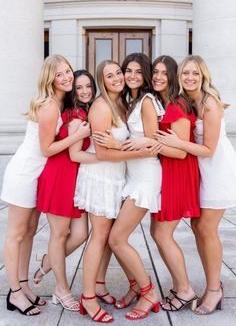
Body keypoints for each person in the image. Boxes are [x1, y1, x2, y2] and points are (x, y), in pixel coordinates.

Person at [1, 55, 89, 316]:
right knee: (16, 234)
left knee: (29, 232)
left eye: (68, 72)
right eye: (59, 73)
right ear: (49, 78)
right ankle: (15, 293)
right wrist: (78, 135)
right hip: (24, 173)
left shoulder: (61, 102)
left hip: (38, 174)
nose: (67, 77)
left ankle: (25, 286)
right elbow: (47, 148)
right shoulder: (50, 105)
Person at [75, 59, 157, 323]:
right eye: (109, 75)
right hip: (100, 176)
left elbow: (124, 144)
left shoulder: (122, 103)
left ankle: (99, 284)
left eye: (118, 73)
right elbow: (101, 152)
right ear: (102, 80)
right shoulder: (100, 107)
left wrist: (128, 148)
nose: (117, 78)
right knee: (100, 237)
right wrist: (137, 150)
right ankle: (87, 297)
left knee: (109, 236)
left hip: (117, 177)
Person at [157, 55, 236, 315]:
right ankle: (213, 284)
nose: (190, 78)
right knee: (197, 227)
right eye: (185, 74)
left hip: (216, 169)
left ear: (203, 76)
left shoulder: (210, 103)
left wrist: (177, 143)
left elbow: (209, 149)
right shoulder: (190, 101)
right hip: (201, 170)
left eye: (195, 74)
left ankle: (214, 290)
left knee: (207, 228)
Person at [95, 53, 164, 321]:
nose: (131, 75)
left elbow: (152, 143)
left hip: (145, 177)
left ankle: (148, 291)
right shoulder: (130, 101)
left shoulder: (146, 101)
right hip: (132, 176)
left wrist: (115, 145)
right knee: (115, 237)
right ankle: (136, 285)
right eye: (128, 70)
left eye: (137, 71)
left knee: (116, 239)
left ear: (145, 74)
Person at [35, 70, 95, 311]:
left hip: (75, 179)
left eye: (88, 86)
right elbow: (71, 152)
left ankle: (49, 262)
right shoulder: (74, 115)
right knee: (59, 236)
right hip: (60, 177)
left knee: (80, 234)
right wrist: (107, 156)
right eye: (78, 88)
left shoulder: (86, 111)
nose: (84, 91)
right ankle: (61, 289)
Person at [149, 55, 199, 312]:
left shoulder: (177, 105)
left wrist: (147, 146)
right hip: (168, 172)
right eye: (155, 72)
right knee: (157, 233)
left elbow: (180, 151)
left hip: (177, 173)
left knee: (162, 233)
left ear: (173, 76)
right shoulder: (164, 103)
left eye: (163, 73)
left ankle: (185, 290)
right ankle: (180, 286)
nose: (158, 76)